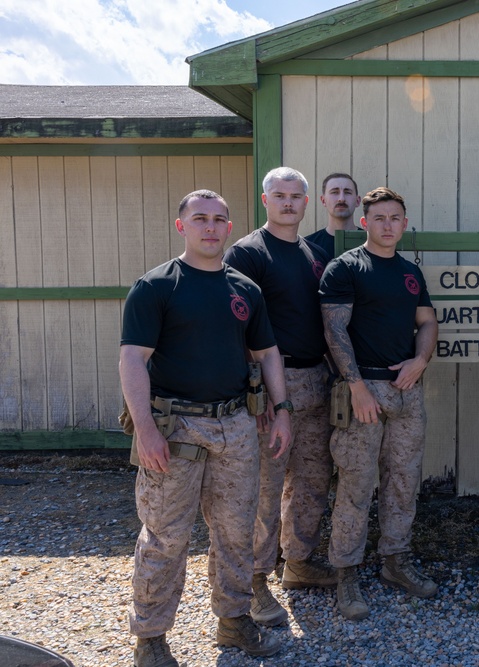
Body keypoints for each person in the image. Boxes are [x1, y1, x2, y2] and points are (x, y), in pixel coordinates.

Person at [120, 190, 291, 666]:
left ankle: (234, 621)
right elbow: (133, 358)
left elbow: (268, 353)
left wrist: (283, 410)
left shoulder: (244, 290)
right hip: (174, 429)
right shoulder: (156, 287)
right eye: (200, 219)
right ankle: (150, 638)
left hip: (235, 425)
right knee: (165, 536)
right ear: (182, 227)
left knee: (237, 531)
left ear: (229, 227)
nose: (210, 227)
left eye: (219, 220)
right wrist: (145, 429)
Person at [223, 167, 339, 628]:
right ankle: (254, 582)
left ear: (307, 203)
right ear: (265, 199)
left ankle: (299, 562)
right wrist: (258, 388)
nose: (288, 203)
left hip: (315, 378)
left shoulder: (312, 253)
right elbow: (236, 320)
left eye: (296, 196)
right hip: (273, 382)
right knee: (266, 488)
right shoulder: (248, 253)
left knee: (311, 479)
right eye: (280, 195)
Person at [319, 186, 439, 621]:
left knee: (403, 481)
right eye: (380, 218)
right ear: (364, 222)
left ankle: (395, 561)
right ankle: (346, 573)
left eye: (396, 218)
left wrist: (421, 359)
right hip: (363, 393)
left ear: (405, 224)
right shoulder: (346, 268)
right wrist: (356, 387)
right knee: (355, 483)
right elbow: (335, 331)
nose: (388, 226)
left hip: (407, 391)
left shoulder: (410, 272)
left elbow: (426, 322)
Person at [305, 172, 361, 258]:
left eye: (347, 192)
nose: (341, 199)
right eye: (335, 192)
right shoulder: (308, 247)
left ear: (357, 201)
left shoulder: (372, 244)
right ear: (323, 200)